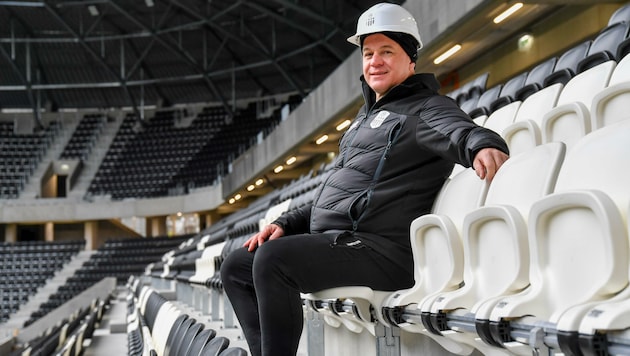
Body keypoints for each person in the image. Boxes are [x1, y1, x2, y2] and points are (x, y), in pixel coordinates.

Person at [220, 3, 510, 356]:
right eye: (368, 53)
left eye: (387, 51)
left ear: (411, 59)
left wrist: (482, 146)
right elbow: (334, 195)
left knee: (274, 260)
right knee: (237, 265)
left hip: (382, 251)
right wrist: (285, 222)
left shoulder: (423, 107)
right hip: (341, 241)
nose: (375, 61)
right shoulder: (363, 119)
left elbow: (459, 130)